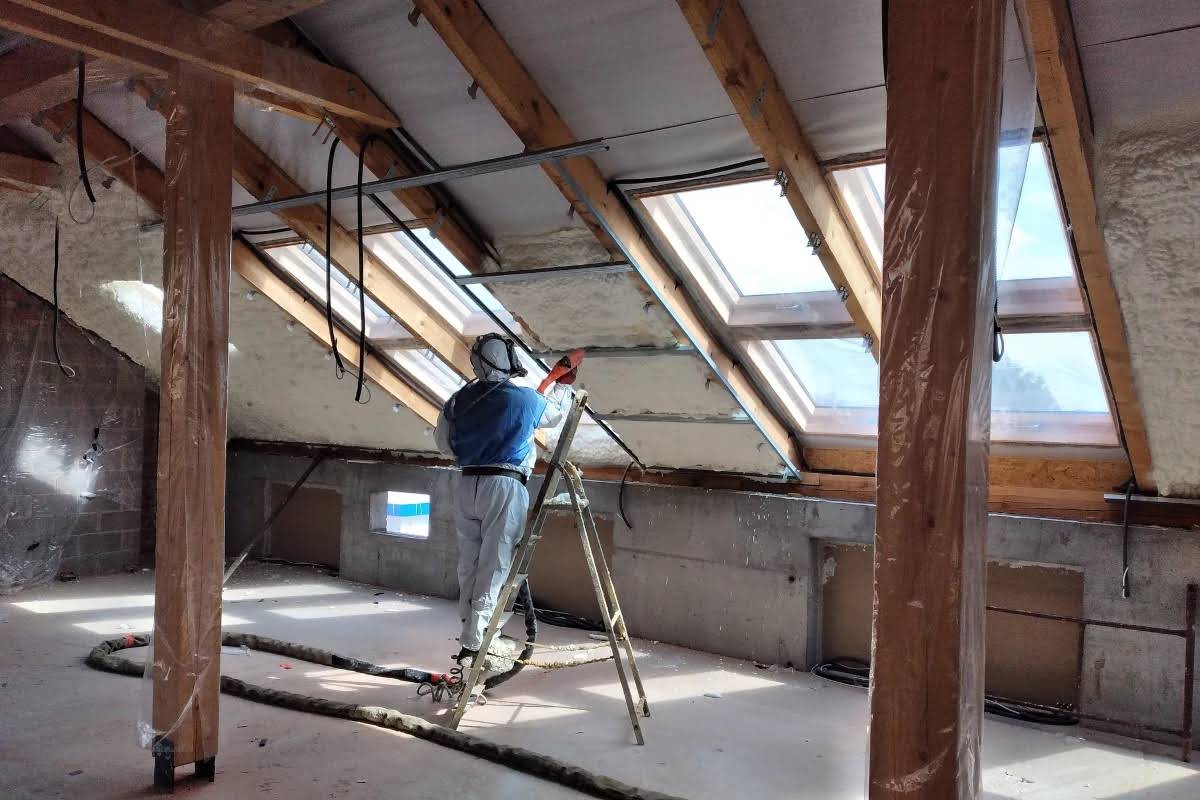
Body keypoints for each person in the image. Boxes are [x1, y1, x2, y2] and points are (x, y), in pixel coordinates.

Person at [435, 333, 573, 667]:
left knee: (469, 563)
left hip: (467, 483)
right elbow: (556, 415)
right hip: (504, 485)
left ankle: (470, 628)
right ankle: (477, 640)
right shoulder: (524, 399)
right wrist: (563, 386)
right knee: (495, 563)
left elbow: (443, 444)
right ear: (508, 359)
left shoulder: (457, 401)